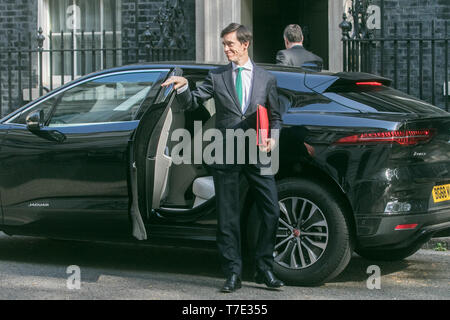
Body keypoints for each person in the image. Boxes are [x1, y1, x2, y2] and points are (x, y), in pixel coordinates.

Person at [161, 23, 284, 293]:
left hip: (258, 152)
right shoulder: (216, 77)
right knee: (228, 216)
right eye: (224, 44)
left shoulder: (267, 78)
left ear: (245, 44)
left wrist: (273, 137)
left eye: (230, 44)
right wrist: (183, 88)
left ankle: (264, 267)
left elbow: (275, 117)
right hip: (226, 151)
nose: (226, 49)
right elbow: (193, 104)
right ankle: (232, 273)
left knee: (272, 211)